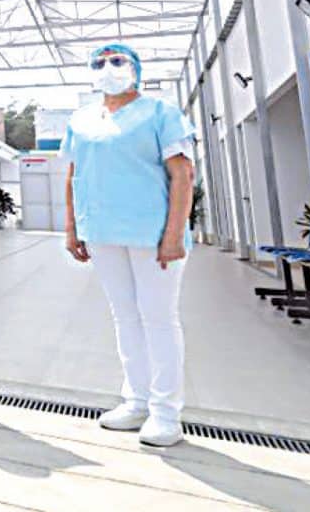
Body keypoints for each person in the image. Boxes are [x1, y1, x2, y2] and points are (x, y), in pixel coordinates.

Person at [61, 43, 195, 447]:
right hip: (103, 233)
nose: (108, 68)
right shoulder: (82, 119)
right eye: (99, 63)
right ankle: (136, 401)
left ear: (136, 69)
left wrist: (174, 234)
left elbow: (183, 175)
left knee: (158, 319)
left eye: (117, 61)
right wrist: (72, 228)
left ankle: (166, 413)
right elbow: (73, 175)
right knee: (125, 318)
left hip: (152, 234)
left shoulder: (161, 113)